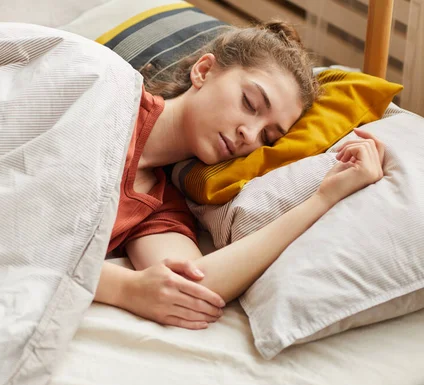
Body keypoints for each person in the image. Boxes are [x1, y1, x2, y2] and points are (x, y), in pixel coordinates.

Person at [93, 21, 385, 330]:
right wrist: (123, 287)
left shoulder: (159, 204)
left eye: (268, 137)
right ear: (203, 71)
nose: (250, 134)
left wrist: (325, 198)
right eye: (249, 103)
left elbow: (193, 286)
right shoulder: (106, 91)